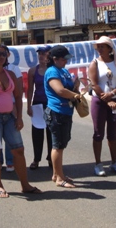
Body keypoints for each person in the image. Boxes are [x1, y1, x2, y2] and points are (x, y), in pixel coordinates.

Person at [0, 43, 41, 198]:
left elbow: (18, 96)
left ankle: (25, 185)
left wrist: (19, 117)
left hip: (10, 117)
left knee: (18, 150)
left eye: (4, 54)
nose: (1, 57)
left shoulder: (10, 74)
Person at [88, 36, 116, 176]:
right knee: (98, 133)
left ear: (110, 48)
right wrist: (105, 98)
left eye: (102, 46)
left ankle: (114, 162)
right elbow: (94, 84)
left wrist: (113, 94)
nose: (99, 49)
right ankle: (98, 164)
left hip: (114, 100)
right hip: (99, 102)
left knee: (112, 133)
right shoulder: (95, 64)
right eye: (98, 46)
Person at [44, 45, 80, 188]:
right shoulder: (52, 71)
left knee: (61, 144)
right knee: (57, 146)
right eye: (63, 59)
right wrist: (75, 95)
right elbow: (59, 90)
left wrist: (76, 86)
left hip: (66, 112)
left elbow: (69, 89)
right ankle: (59, 178)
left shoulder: (63, 71)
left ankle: (57, 174)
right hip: (56, 112)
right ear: (55, 59)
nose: (66, 61)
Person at [26, 45, 52, 170]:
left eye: (44, 53)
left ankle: (51, 158)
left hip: (51, 104)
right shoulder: (32, 70)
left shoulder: (53, 69)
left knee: (51, 132)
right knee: (37, 132)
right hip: (37, 103)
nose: (41, 56)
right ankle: (36, 159)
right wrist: (29, 106)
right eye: (39, 53)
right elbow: (30, 89)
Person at [0, 46, 23, 172]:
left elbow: (18, 90)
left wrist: (18, 112)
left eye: (4, 54)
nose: (1, 57)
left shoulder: (14, 69)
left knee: (11, 135)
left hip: (12, 106)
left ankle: (10, 162)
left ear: (8, 55)